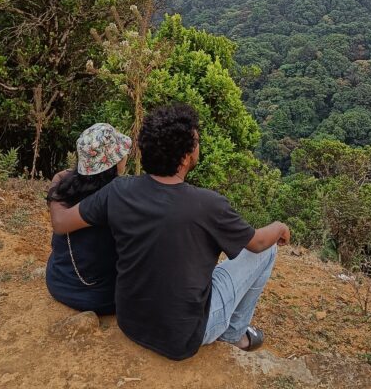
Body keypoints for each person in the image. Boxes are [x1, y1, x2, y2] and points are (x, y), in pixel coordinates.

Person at [49, 103, 290, 361]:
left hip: (130, 322)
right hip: (183, 338)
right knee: (268, 249)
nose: (198, 146)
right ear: (186, 157)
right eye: (196, 141)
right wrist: (279, 227)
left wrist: (57, 183)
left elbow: (62, 221)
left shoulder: (118, 191)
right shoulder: (208, 205)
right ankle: (233, 334)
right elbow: (256, 243)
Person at [44, 122, 132, 315]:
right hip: (99, 297)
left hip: (58, 282)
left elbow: (60, 175)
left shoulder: (64, 185)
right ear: (115, 161)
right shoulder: (119, 197)